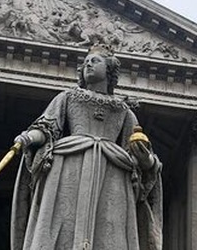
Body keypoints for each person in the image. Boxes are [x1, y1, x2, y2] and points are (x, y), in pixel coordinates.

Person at [11, 45, 163, 250]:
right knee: (62, 218)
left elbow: (140, 152)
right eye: (85, 63)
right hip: (69, 163)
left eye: (95, 61)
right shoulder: (67, 97)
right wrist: (29, 137)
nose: (88, 64)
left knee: (111, 225)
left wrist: (147, 159)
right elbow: (47, 127)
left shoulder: (124, 110)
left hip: (113, 170)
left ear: (109, 70)